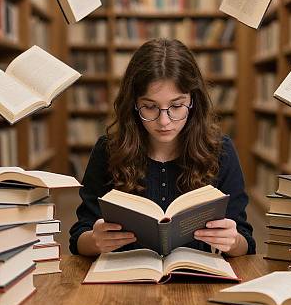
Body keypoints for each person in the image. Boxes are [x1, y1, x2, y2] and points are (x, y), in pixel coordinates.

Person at [69, 38, 255, 257]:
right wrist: (94, 240)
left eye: (176, 106)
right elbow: (78, 238)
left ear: (193, 101)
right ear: (134, 104)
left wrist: (232, 241)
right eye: (149, 107)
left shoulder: (220, 151)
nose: (164, 121)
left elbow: (246, 244)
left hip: (199, 282)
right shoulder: (108, 150)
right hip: (124, 282)